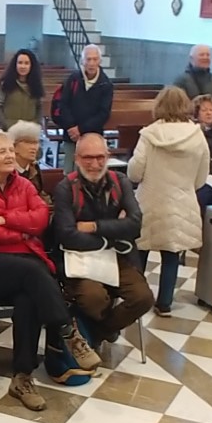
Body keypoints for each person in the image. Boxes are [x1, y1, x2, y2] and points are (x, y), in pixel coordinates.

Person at [0, 132, 103, 410]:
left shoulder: (24, 185)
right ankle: (68, 332)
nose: (9, 156)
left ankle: (22, 377)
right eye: (2, 151)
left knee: (29, 298)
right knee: (34, 272)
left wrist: (5, 219)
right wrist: (21, 232)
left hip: (26, 263)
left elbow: (40, 219)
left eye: (10, 150)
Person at [53, 134, 153, 342]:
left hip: (117, 257)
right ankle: (102, 329)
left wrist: (94, 226)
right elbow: (67, 235)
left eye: (100, 157)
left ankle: (100, 331)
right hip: (79, 258)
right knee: (94, 298)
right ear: (77, 159)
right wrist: (112, 235)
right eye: (88, 158)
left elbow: (135, 225)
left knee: (143, 298)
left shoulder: (120, 182)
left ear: (108, 156)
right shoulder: (66, 188)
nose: (95, 164)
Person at [128, 86, 210, 316]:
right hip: (182, 201)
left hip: (150, 199)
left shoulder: (149, 134)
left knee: (141, 249)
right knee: (171, 252)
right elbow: (201, 177)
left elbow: (134, 172)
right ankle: (164, 303)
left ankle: (137, 299)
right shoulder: (197, 136)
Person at [52, 44, 114, 164]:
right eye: (88, 59)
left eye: (95, 59)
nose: (91, 63)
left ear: (100, 61)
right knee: (69, 169)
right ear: (82, 61)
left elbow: (104, 113)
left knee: (89, 167)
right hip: (71, 134)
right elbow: (63, 104)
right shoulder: (73, 79)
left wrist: (81, 129)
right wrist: (71, 128)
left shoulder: (106, 84)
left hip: (93, 134)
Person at [0, 49, 47, 131]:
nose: (23, 66)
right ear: (15, 64)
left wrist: (36, 124)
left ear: (31, 66)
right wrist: (5, 125)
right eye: (20, 63)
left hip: (30, 129)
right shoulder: (5, 83)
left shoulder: (36, 85)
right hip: (9, 129)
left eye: (26, 63)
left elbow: (39, 107)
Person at [9, 122, 50, 202]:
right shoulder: (6, 171)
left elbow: (39, 193)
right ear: (14, 146)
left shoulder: (34, 168)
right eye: (28, 142)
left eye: (36, 142)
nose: (33, 147)